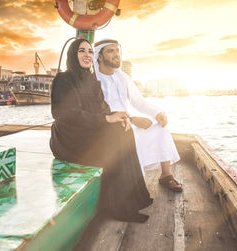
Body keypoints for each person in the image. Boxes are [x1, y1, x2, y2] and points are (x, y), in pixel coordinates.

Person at [50, 38, 153, 223]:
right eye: (82, 51)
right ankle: (118, 207)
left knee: (124, 130)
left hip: (87, 130)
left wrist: (120, 117)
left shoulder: (91, 79)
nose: (87, 55)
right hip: (68, 139)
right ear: (73, 54)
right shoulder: (63, 79)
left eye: (90, 51)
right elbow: (64, 114)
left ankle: (136, 197)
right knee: (113, 141)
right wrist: (106, 119)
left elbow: (102, 108)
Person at [93, 39, 182, 192]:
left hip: (127, 121)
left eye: (117, 51)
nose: (116, 55)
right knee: (130, 133)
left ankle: (166, 175)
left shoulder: (121, 77)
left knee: (159, 125)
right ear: (99, 57)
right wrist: (133, 120)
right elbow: (98, 111)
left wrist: (157, 112)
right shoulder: (94, 80)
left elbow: (138, 101)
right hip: (107, 126)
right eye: (110, 51)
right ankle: (135, 183)